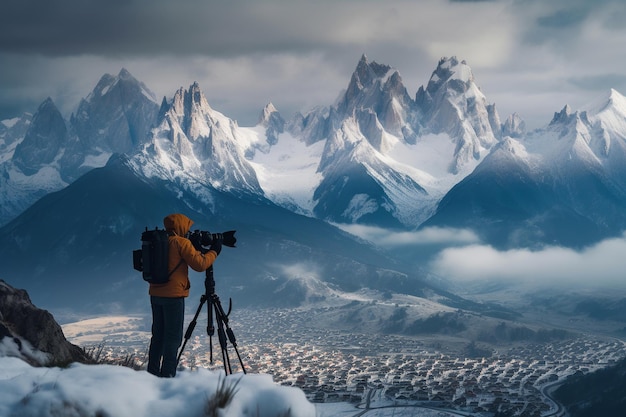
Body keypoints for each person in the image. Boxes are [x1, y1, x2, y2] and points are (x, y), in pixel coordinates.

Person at [147, 213, 221, 377]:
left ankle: (151, 374)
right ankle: (167, 376)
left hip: (155, 294)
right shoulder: (181, 243)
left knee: (158, 335)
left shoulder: (157, 240)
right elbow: (200, 264)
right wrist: (215, 251)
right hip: (173, 296)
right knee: (173, 338)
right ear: (181, 226)